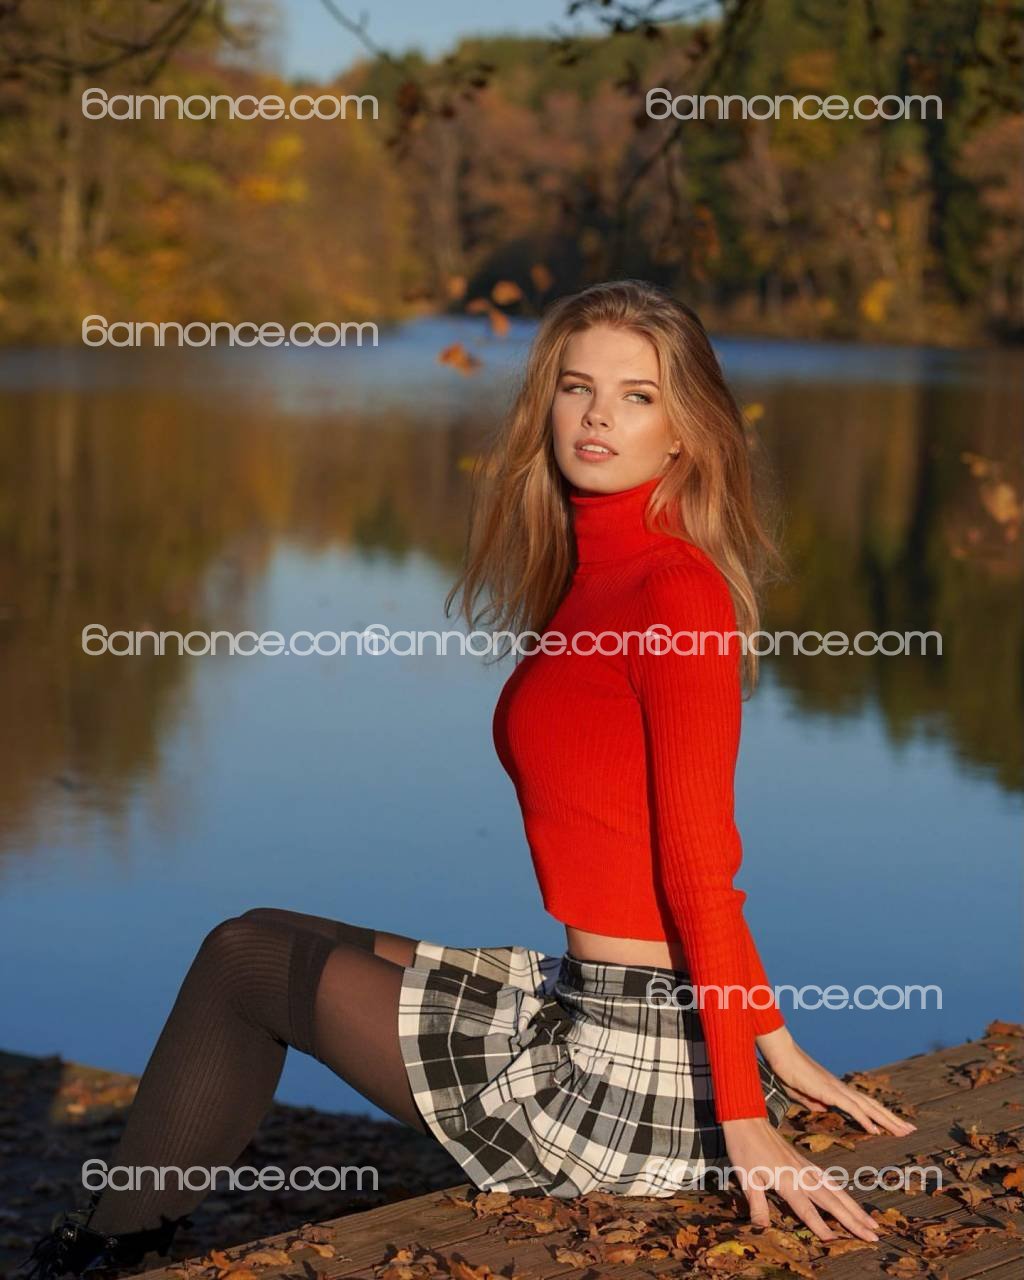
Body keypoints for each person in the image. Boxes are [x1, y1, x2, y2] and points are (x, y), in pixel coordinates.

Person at [20, 280, 912, 1278]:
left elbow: (701, 860)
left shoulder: (675, 591)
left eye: (637, 396)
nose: (598, 416)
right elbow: (656, 841)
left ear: (685, 432)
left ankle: (100, 1255)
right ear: (547, 402)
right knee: (267, 928)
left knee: (243, 961)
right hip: (601, 1001)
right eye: (577, 387)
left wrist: (746, 1110)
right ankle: (120, 1239)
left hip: (634, 1064)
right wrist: (773, 1041)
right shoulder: (593, 572)